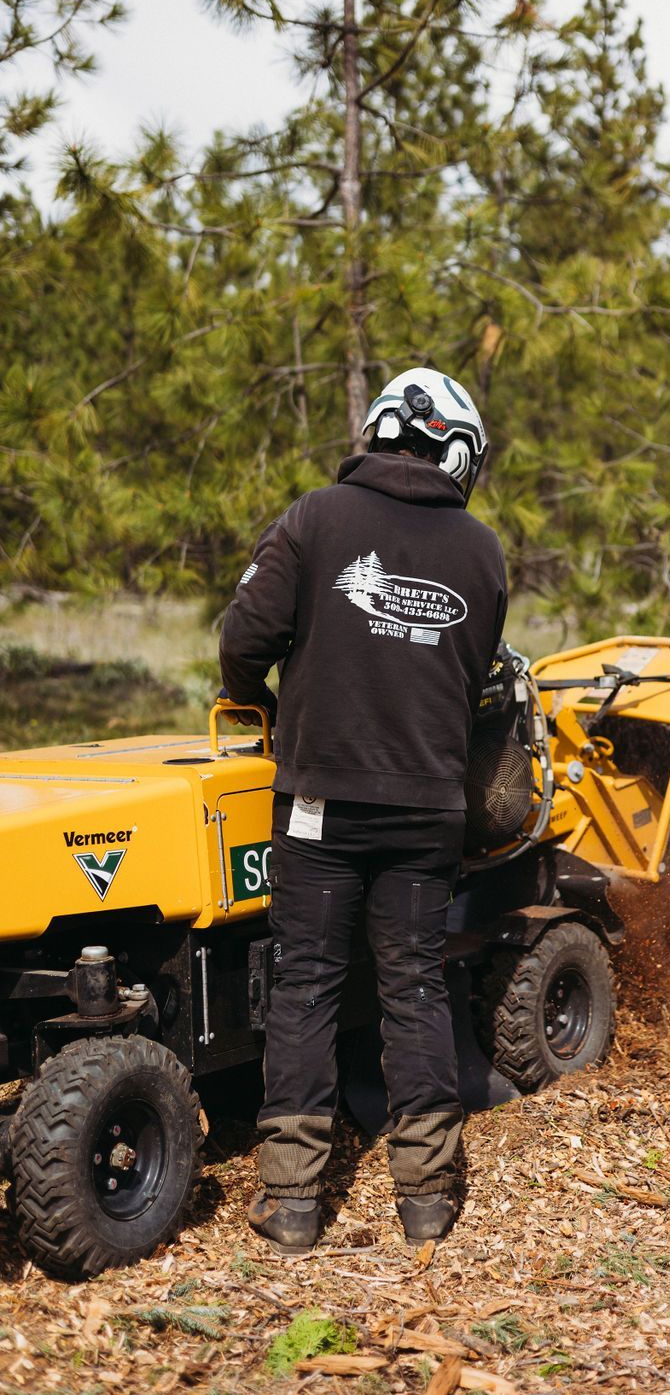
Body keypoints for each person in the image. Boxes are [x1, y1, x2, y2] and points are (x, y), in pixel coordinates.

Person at [219, 368, 507, 1254]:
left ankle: (296, 1205)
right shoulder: (483, 553)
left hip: (320, 806)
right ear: (458, 452)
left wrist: (259, 704)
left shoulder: (313, 518)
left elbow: (242, 641)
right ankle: (427, 1198)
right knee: (415, 985)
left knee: (305, 984)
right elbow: (477, 672)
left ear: (380, 430)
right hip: (427, 811)